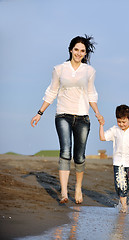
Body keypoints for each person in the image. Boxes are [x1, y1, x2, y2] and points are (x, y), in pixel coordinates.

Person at [30, 35, 104, 204]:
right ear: (71, 49)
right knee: (65, 151)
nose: (79, 53)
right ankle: (64, 193)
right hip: (63, 115)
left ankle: (77, 187)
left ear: (85, 54)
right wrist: (39, 113)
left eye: (82, 51)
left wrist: (97, 113)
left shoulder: (89, 71)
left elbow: (91, 93)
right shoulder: (59, 69)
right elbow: (52, 92)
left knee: (79, 156)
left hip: (83, 117)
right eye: (76, 49)